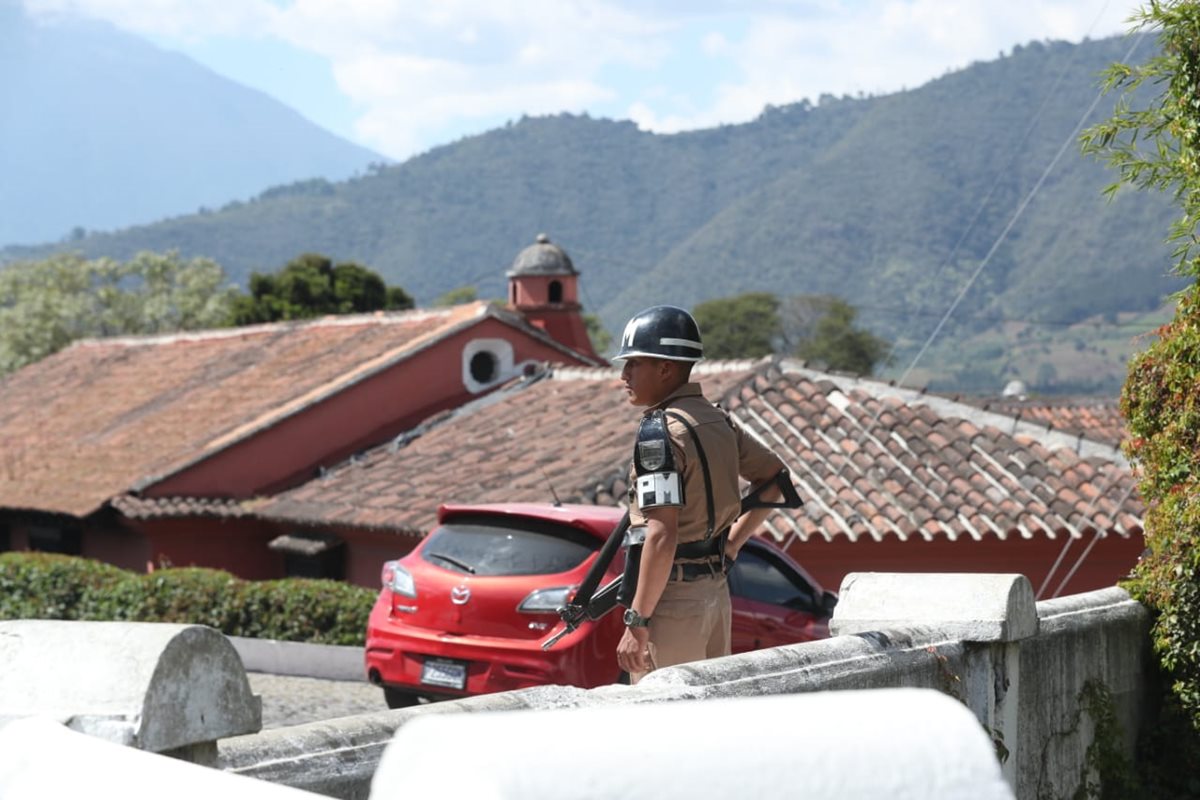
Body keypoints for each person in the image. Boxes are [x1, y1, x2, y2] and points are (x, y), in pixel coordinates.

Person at [613, 305, 788, 680]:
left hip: (672, 603)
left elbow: (661, 533)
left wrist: (638, 621)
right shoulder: (718, 420)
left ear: (665, 368)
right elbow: (776, 479)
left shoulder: (659, 435)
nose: (624, 375)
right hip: (715, 593)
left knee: (666, 723)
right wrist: (732, 544)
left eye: (634, 363)